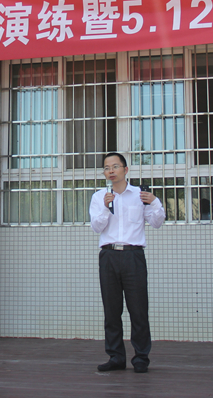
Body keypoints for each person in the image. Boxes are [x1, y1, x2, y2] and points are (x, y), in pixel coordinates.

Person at [89, 152, 165, 373]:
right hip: (109, 256)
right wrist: (106, 207)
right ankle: (116, 357)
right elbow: (96, 227)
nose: (110, 171)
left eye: (115, 166)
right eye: (106, 168)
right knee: (111, 310)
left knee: (138, 310)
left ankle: (141, 358)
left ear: (125, 169)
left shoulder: (140, 195)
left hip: (133, 256)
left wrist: (155, 202)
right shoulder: (99, 197)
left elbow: (157, 222)